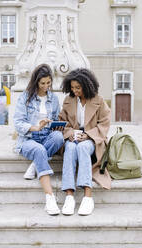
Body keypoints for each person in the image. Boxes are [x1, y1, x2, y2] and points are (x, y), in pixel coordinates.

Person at [59, 68, 111, 216]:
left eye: (78, 88)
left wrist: (88, 135)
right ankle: (69, 196)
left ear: (87, 86)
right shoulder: (68, 100)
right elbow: (62, 121)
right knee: (70, 148)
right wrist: (69, 133)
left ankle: (88, 197)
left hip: (92, 139)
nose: (74, 90)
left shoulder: (99, 100)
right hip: (73, 137)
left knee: (82, 148)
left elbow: (104, 123)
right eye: (72, 87)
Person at [13, 64, 64, 215]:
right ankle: (50, 198)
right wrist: (36, 127)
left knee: (59, 137)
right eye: (42, 83)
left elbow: (55, 119)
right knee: (39, 149)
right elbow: (18, 123)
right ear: (36, 82)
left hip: (47, 136)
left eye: (48, 83)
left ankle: (36, 163)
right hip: (29, 138)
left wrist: (56, 124)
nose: (46, 86)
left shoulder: (53, 99)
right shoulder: (25, 97)